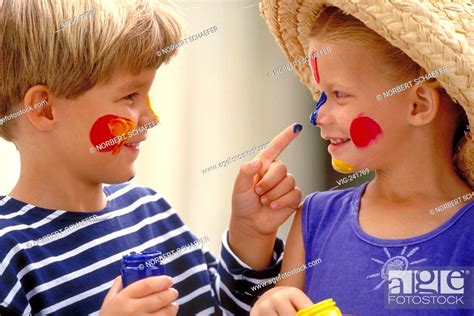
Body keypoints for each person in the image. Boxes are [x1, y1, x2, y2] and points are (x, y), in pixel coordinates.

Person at [0, 0, 303, 314]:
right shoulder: (9, 252)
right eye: (130, 96)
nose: (151, 117)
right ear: (44, 109)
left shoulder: (151, 211)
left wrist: (249, 236)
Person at [253, 1, 474, 315]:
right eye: (321, 95)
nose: (318, 116)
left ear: (418, 106)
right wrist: (270, 304)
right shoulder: (315, 218)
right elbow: (283, 301)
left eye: (339, 94)